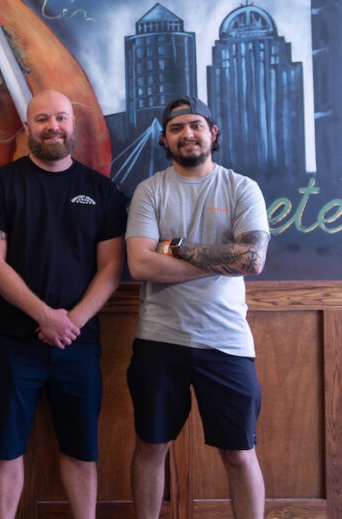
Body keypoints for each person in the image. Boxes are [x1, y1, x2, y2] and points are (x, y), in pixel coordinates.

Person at [0, 89, 126, 519]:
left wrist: (70, 322)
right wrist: (45, 316)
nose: (53, 127)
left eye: (60, 118)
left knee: (81, 449)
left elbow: (112, 268)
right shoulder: (0, 184)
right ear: (28, 128)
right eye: (42, 119)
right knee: (5, 450)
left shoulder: (101, 190)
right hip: (12, 339)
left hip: (78, 343)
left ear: (73, 124)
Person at [125, 96, 269, 519]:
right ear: (165, 140)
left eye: (195, 126)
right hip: (158, 339)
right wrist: (220, 260)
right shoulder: (150, 190)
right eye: (176, 129)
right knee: (151, 445)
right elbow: (139, 263)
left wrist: (180, 249)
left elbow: (252, 261)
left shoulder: (241, 187)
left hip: (226, 343)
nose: (187, 134)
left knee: (239, 453)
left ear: (212, 133)